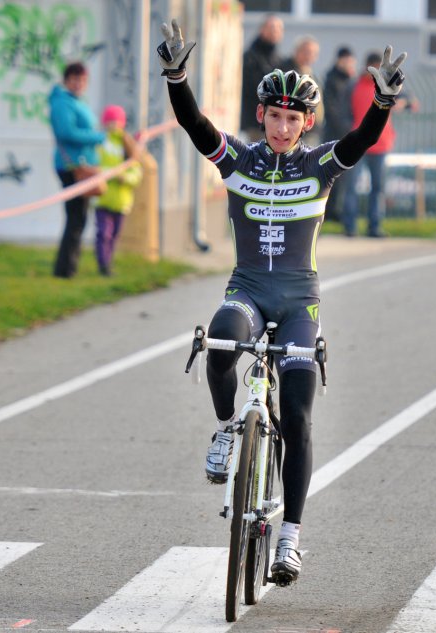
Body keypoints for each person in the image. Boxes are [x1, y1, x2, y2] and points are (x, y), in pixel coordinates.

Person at [157, 19, 407, 585]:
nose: (283, 126)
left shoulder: (318, 166)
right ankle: (228, 428)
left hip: (299, 302)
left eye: (294, 119)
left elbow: (361, 141)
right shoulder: (239, 160)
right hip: (247, 289)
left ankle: (290, 537)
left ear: (307, 122)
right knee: (221, 340)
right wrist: (176, 78)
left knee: (296, 414)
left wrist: (383, 102)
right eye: (275, 116)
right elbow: (195, 124)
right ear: (262, 115)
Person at [344, 51, 418, 237]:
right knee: (351, 186)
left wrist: (403, 103)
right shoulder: (353, 85)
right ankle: (350, 226)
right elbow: (343, 111)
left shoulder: (387, 85)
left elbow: (412, 103)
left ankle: (374, 226)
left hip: (381, 144)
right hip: (357, 143)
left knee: (378, 188)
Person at [48, 62, 106, 278]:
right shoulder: (62, 103)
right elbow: (67, 133)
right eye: (74, 79)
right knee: (75, 219)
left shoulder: (77, 101)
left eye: (82, 79)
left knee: (78, 219)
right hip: (72, 167)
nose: (78, 83)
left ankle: (68, 267)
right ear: (66, 80)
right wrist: (98, 137)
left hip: (83, 165)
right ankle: (65, 270)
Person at [93, 105, 142, 276]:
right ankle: (103, 264)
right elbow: (95, 166)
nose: (113, 125)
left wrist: (125, 178)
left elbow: (136, 172)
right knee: (103, 233)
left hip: (122, 200)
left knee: (114, 234)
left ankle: (109, 261)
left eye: (116, 121)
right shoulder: (100, 143)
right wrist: (110, 173)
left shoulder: (127, 144)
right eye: (110, 121)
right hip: (103, 197)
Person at [322, 46, 357, 222]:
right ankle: (329, 211)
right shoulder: (331, 79)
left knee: (344, 176)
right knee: (331, 173)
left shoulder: (352, 81)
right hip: (334, 134)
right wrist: (345, 126)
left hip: (347, 133)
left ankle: (338, 210)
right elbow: (331, 108)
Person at [240, 14, 283, 141]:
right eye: (272, 28)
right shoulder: (250, 57)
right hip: (255, 123)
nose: (275, 32)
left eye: (279, 29)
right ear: (262, 30)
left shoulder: (278, 59)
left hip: (275, 123)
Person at [282, 35, 324, 145]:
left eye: (313, 53)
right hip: (294, 130)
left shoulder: (312, 73)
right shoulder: (287, 73)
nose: (309, 56)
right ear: (296, 51)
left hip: (312, 130)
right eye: (306, 52)